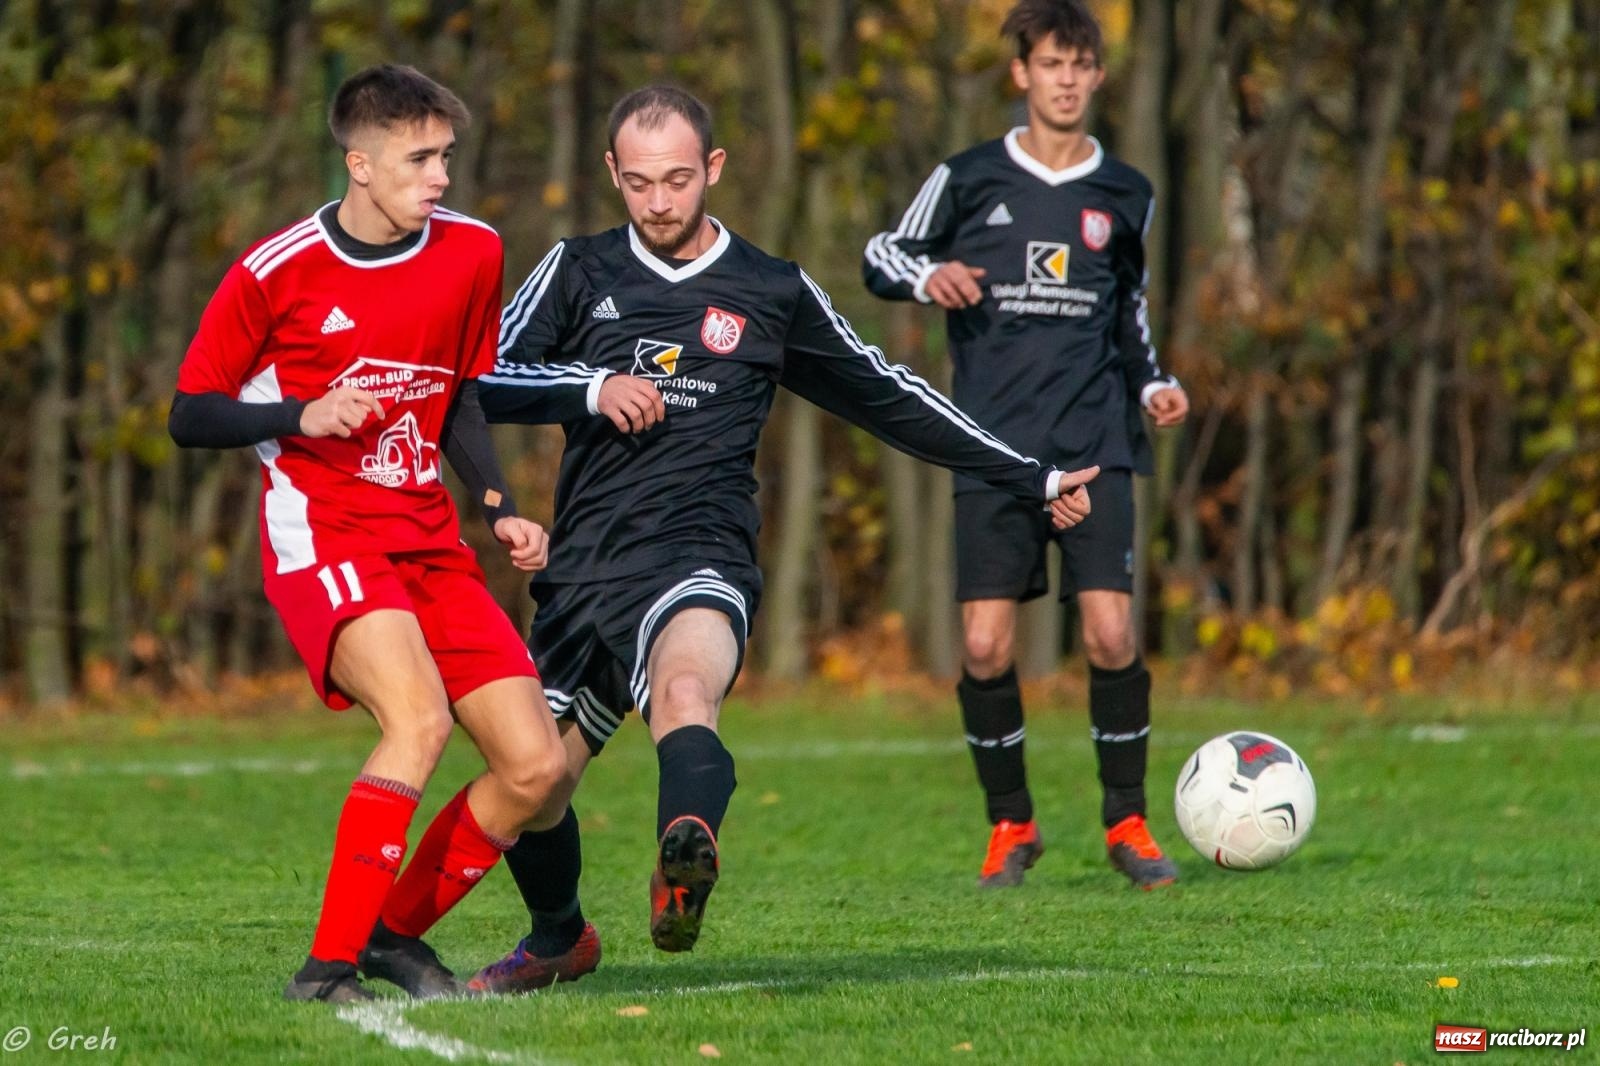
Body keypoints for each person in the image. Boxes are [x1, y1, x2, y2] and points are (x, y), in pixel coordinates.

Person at [459, 86, 1098, 993]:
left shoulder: (770, 290)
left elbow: (890, 396)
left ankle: (687, 851)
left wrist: (1028, 475)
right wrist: (592, 387)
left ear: (713, 169)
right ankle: (560, 938)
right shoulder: (577, 269)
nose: (659, 202)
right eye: (638, 183)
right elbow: (480, 380)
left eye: (678, 180)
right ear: (611, 174)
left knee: (686, 690)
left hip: (699, 553)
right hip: (583, 570)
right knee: (531, 781)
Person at [168, 64, 567, 1003]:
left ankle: (390, 936)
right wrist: (299, 415)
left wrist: (500, 503)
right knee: (419, 720)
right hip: (326, 530)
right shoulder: (277, 270)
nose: (440, 177)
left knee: (536, 765)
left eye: (446, 157)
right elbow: (189, 413)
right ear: (360, 162)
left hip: (429, 538)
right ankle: (325, 969)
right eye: (420, 158)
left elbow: (461, 390)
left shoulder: (472, 250)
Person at [861, 0, 1190, 890]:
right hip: (993, 447)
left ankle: (1127, 821)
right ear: (1022, 74)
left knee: (1113, 631)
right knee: (983, 648)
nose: (1068, 80)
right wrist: (930, 274)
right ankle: (1011, 825)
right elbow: (879, 253)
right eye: (1052, 64)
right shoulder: (967, 178)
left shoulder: (1127, 192)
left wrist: (1154, 381)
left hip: (1095, 438)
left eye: (1082, 66)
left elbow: (1132, 312)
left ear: (1098, 77)